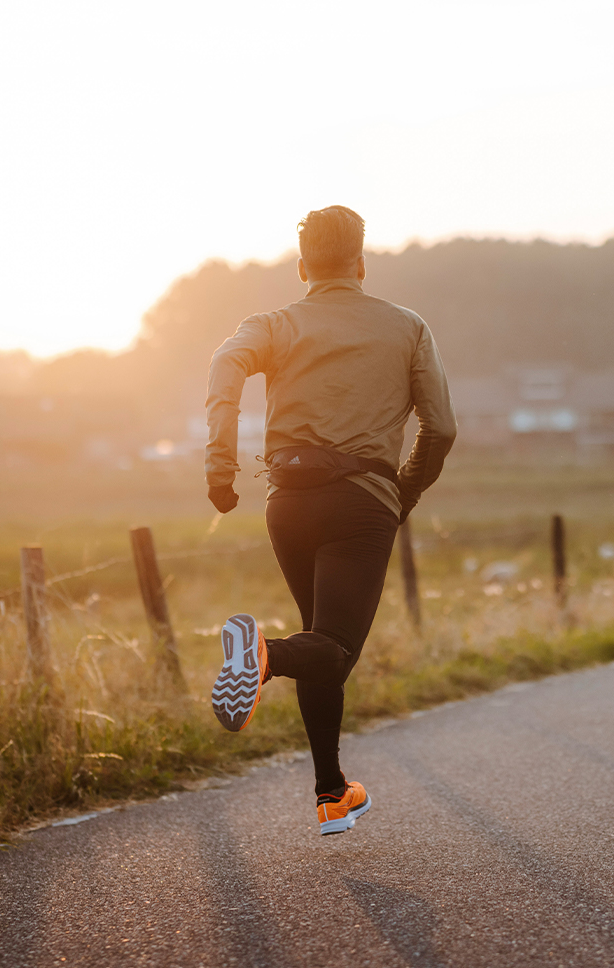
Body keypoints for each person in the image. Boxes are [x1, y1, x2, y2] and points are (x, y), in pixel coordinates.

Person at [203, 205, 456, 835]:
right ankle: (260, 656)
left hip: (286, 502)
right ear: (362, 264)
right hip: (360, 503)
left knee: (324, 646)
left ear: (302, 267)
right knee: (333, 646)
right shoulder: (408, 327)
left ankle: (331, 792)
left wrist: (220, 466)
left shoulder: (274, 323)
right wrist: (405, 493)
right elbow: (442, 427)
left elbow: (224, 366)